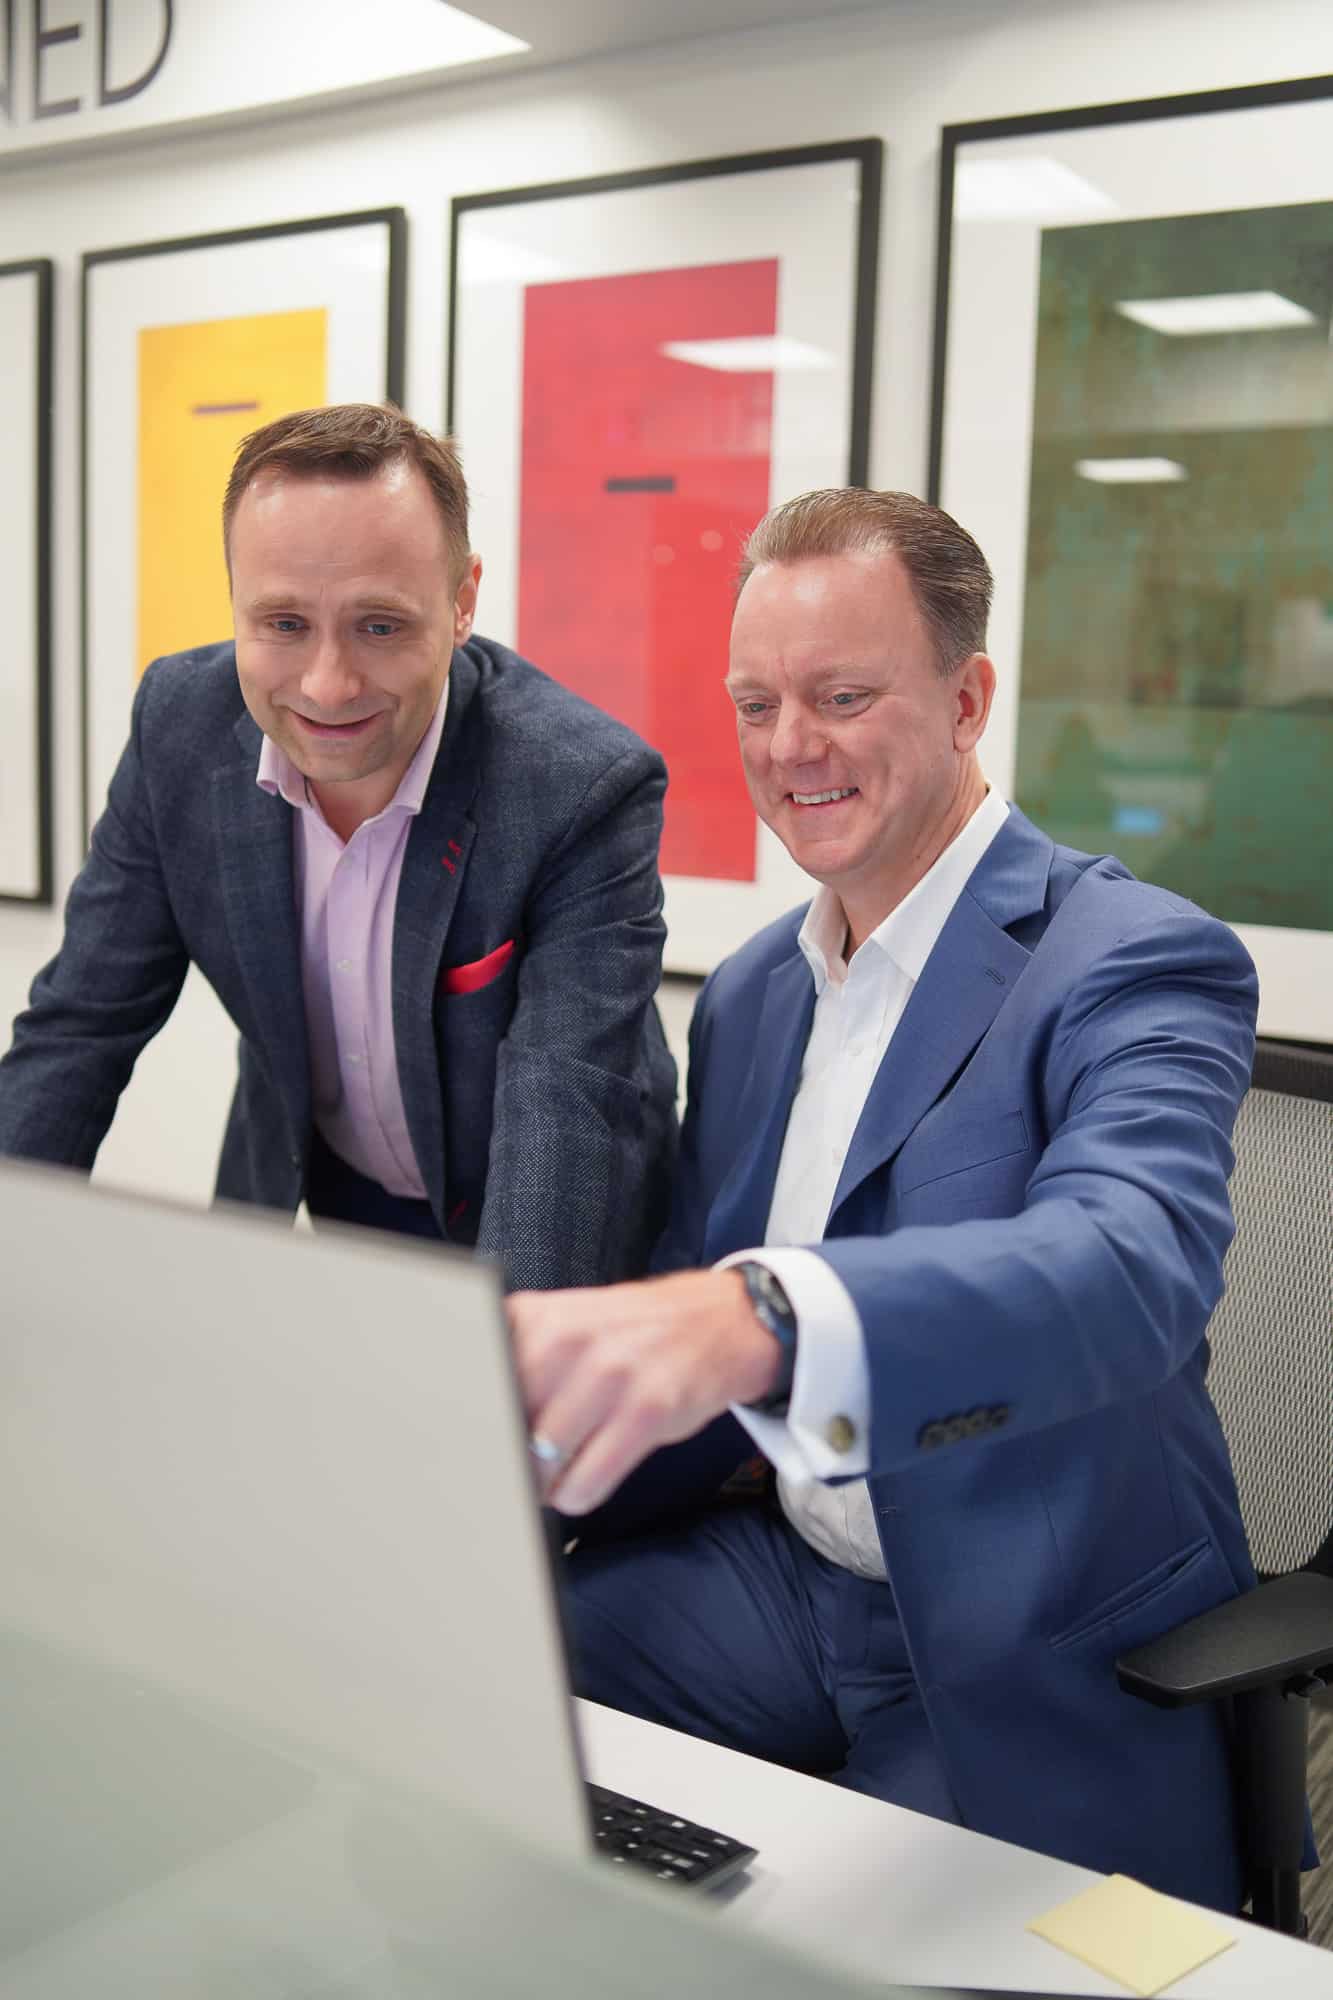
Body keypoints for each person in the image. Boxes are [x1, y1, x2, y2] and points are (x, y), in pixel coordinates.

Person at [508, 487, 1261, 1910]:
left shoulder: (1135, 960)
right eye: (755, 704)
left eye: (843, 696)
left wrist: (770, 1317)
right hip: (785, 1586)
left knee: (827, 1934)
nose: (790, 749)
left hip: (1015, 1622)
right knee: (463, 1685)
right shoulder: (751, 995)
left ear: (968, 699)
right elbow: (682, 1285)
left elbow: (1126, 1263)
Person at [0, 404, 677, 1289]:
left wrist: (501, 1391)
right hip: (329, 1199)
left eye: (379, 626)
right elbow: (80, 1029)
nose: (328, 685)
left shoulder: (578, 785)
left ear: (463, 597)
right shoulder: (180, 725)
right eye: (283, 624)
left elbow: (564, 1110)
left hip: (551, 1222)